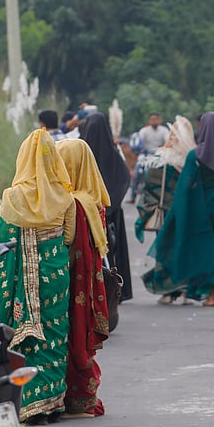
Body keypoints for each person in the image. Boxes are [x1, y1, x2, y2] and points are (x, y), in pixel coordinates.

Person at [0, 129, 76, 424]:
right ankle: (53, 403)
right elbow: (68, 237)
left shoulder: (13, 198)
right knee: (54, 336)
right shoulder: (64, 195)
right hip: (56, 275)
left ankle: (31, 404)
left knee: (29, 343)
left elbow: (0, 242)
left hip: (24, 285)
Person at [143, 112, 214, 306]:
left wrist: (178, 211)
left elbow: (185, 185)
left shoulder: (194, 154)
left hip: (201, 208)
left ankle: (211, 297)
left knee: (206, 248)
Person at [55, 138, 112, 418]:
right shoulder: (94, 200)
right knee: (81, 335)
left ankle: (74, 400)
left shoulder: (71, 203)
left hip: (69, 280)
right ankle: (85, 398)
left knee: (69, 334)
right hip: (89, 282)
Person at [134, 116, 194, 300]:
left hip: (164, 213)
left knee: (165, 250)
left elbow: (149, 187)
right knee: (184, 250)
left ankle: (167, 291)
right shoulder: (193, 159)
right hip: (186, 213)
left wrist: (148, 208)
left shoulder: (159, 157)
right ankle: (185, 289)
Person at [81, 111, 133, 302]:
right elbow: (123, 179)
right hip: (108, 215)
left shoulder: (79, 150)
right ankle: (112, 291)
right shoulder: (113, 155)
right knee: (110, 253)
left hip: (83, 213)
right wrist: (109, 205)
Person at [128, 113, 170, 202]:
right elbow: (138, 142)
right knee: (137, 172)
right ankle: (132, 196)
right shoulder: (144, 130)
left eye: (156, 119)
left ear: (160, 120)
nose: (154, 121)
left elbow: (167, 142)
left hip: (160, 155)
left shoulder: (164, 130)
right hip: (146, 155)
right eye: (152, 119)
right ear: (149, 121)